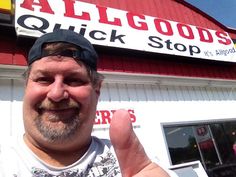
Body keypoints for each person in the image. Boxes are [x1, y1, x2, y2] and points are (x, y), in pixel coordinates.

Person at [0, 29, 171, 177]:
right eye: (44, 79)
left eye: (74, 80)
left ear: (97, 90)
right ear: (26, 87)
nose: (57, 93)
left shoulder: (138, 165)